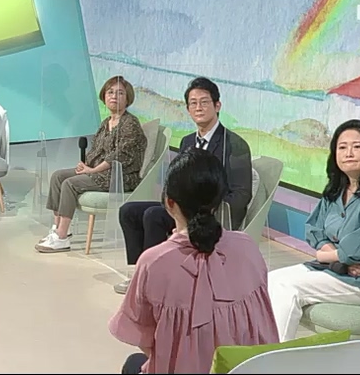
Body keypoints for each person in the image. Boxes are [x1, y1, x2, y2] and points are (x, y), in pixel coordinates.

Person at [109, 148, 279, 374]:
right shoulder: (247, 247)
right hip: (247, 369)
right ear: (219, 201)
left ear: (169, 202)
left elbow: (144, 338)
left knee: (133, 363)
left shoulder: (153, 262)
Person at [114, 77, 253, 294]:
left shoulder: (234, 144)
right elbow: (174, 182)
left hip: (210, 214)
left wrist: (201, 216)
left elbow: (242, 194)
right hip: (183, 209)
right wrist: (170, 205)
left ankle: (156, 280)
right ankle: (139, 272)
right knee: (129, 211)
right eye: (193, 103)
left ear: (217, 105)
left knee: (153, 215)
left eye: (204, 102)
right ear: (188, 109)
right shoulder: (187, 142)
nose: (199, 108)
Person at [267, 119, 360, 342]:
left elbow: (357, 252)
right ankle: (267, 350)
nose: (349, 153)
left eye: (357, 146)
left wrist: (324, 256)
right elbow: (314, 229)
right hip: (337, 271)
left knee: (287, 287)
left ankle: (277, 356)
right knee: (270, 279)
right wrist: (337, 257)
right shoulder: (337, 189)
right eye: (342, 147)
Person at [35, 76, 148, 253]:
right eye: (110, 92)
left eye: (120, 93)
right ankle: (58, 229)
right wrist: (84, 165)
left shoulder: (130, 123)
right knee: (58, 176)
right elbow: (96, 150)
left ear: (128, 99)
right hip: (100, 171)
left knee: (70, 184)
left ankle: (62, 237)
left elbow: (119, 156)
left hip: (121, 176)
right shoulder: (106, 123)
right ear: (104, 96)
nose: (114, 96)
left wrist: (93, 170)